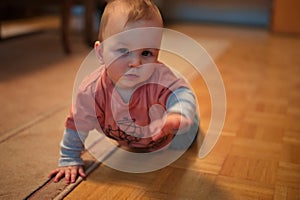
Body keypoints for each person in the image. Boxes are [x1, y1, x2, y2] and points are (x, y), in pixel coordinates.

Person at [49, 0, 199, 184]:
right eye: (123, 50)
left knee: (185, 140)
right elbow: (77, 125)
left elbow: (182, 93)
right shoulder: (92, 91)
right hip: (134, 141)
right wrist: (69, 159)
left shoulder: (159, 78)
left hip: (174, 134)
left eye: (146, 53)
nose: (135, 63)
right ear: (101, 52)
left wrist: (178, 113)